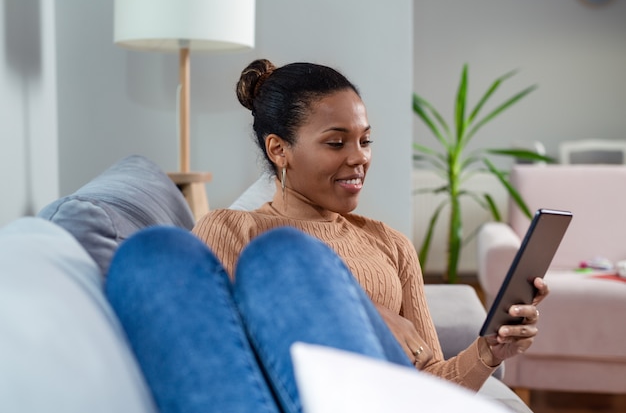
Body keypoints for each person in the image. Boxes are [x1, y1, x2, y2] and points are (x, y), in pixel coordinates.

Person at [105, 59, 548, 413]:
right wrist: (368, 313)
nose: (359, 158)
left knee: (284, 254)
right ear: (279, 149)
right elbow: (219, 345)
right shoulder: (228, 228)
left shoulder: (389, 244)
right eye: (336, 143)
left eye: (365, 141)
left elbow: (429, 385)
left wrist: (488, 353)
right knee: (149, 252)